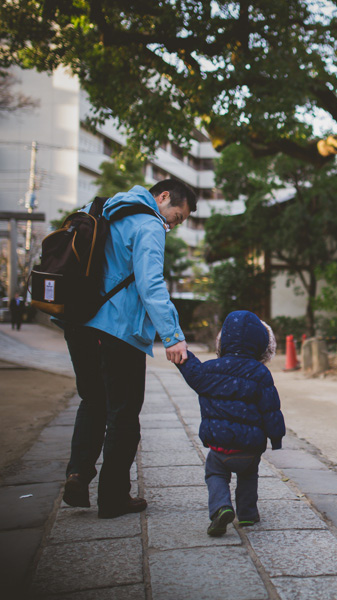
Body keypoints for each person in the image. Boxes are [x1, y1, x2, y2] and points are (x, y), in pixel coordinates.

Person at [61, 179, 197, 519]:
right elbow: (150, 284)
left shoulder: (105, 210)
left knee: (92, 401)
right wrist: (172, 335)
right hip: (119, 331)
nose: (172, 225)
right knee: (123, 415)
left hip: (80, 325)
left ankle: (77, 474)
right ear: (163, 197)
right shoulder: (149, 223)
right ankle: (113, 497)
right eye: (176, 216)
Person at [175, 310, 285, 536]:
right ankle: (247, 514)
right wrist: (276, 437)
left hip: (220, 447)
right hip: (249, 449)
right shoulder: (260, 374)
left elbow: (191, 369)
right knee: (248, 476)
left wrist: (181, 351)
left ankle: (221, 508)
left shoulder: (208, 370)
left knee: (215, 473)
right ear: (262, 345)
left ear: (222, 341)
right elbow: (271, 408)